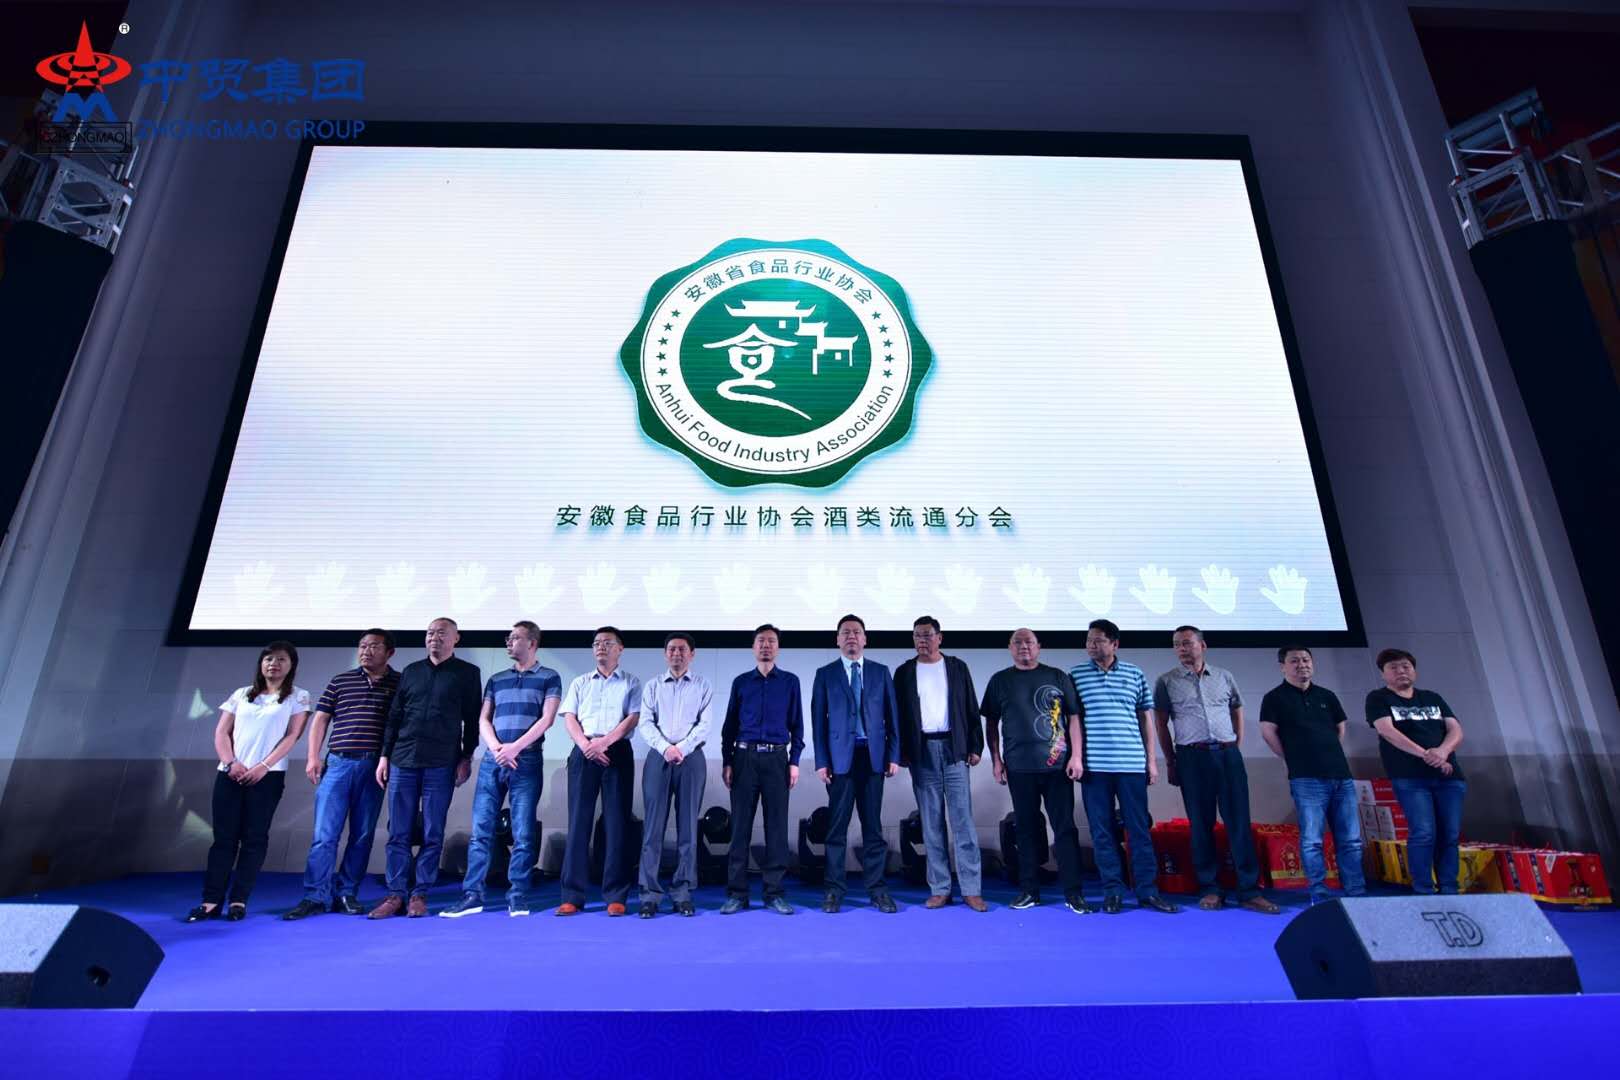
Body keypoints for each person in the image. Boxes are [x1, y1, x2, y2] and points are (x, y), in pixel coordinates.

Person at [1153, 626, 1279, 914]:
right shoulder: (1166, 681)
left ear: (1203, 645)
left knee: (1239, 822)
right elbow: (1161, 724)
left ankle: (1249, 890)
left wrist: (1235, 743)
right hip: (1191, 757)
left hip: (1227, 754)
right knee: (1201, 825)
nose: (1182, 649)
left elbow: (1236, 709)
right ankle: (1210, 888)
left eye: (1187, 643)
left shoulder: (1224, 677)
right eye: (1177, 645)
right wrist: (1171, 761)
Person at [440, 621, 561, 918]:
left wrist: (514, 748)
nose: (509, 642)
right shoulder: (497, 679)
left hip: (526, 759)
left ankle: (517, 895)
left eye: (515, 637)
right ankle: (472, 895)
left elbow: (547, 719)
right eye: (508, 637)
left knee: (523, 832)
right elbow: (483, 719)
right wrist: (496, 748)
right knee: (481, 831)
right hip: (493, 760)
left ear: (532, 643)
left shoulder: (549, 676)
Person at [188, 641, 310, 922]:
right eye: (268, 659)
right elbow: (222, 732)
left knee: (254, 839)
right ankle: (210, 901)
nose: (273, 664)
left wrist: (263, 766)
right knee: (223, 839)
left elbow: (292, 735)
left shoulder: (298, 696)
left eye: (281, 659)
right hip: (230, 773)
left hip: (268, 776)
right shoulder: (242, 693)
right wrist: (230, 763)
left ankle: (239, 901)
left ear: (291, 665)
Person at [368, 618, 481, 919]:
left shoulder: (468, 673)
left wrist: (466, 757)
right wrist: (384, 756)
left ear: (456, 638)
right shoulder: (411, 671)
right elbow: (395, 716)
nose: (434, 638)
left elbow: (472, 719)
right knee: (398, 831)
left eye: (441, 633)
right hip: (403, 759)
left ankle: (420, 893)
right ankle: (395, 894)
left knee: (433, 831)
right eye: (430, 633)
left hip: (442, 762)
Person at [283, 629, 400, 920]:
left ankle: (347, 892)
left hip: (374, 767)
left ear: (389, 652)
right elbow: (321, 719)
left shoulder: (400, 683)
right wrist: (313, 757)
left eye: (374, 646)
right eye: (362, 646)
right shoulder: (341, 680)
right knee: (325, 835)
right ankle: (315, 896)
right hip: (337, 764)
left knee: (362, 835)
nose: (366, 651)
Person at [1070, 620, 1179, 914]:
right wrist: (1077, 758)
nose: (1092, 645)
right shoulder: (1076, 675)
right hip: (1095, 767)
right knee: (1102, 832)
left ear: (1115, 644)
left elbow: (1146, 719)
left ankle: (1147, 892)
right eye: (1088, 640)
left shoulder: (1134, 673)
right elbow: (1073, 720)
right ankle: (1113, 892)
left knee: (1139, 830)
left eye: (1098, 640)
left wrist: (1151, 761)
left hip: (1131, 765)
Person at [981, 628, 1089, 913]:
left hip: (1057, 767)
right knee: (1026, 830)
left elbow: (1074, 718)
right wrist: (996, 760)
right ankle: (1030, 891)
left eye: (1028, 641)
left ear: (1039, 646)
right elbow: (991, 724)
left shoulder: (1057, 677)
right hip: (1019, 767)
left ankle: (1074, 893)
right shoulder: (1000, 681)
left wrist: (1076, 756)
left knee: (1065, 829)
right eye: (1017, 642)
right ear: (1009, 648)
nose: (1023, 646)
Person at [1259, 646, 1367, 904]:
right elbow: (1268, 732)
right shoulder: (1274, 698)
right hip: (1306, 778)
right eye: (1294, 661)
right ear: (1282, 667)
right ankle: (1318, 892)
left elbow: (1340, 727)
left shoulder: (1326, 695)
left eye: (1306, 660)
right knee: (1312, 841)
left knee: (1351, 839)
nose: (1302, 665)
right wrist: (1290, 758)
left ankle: (1356, 891)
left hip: (1341, 776)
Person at [894, 615, 987, 911]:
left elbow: (971, 707)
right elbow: (897, 717)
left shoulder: (957, 667)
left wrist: (975, 746)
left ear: (939, 637)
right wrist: (900, 751)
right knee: (931, 823)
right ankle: (940, 888)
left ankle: (971, 889)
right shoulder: (904, 672)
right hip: (922, 752)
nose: (922, 640)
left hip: (954, 748)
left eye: (927, 635)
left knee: (963, 822)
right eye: (917, 636)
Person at [810, 613, 901, 913]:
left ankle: (877, 890)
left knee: (873, 829)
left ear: (865, 639)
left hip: (873, 759)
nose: (851, 636)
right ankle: (834, 891)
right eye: (845, 632)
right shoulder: (825, 674)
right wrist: (822, 761)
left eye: (856, 632)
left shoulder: (880, 672)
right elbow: (818, 722)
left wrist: (893, 755)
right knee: (836, 830)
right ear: (837, 640)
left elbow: (892, 717)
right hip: (839, 762)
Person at [1366, 648, 1466, 895]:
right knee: (1423, 833)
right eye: (1393, 667)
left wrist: (1443, 751)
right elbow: (1387, 731)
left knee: (1450, 834)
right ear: (1383, 674)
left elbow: (1455, 729)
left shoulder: (1432, 697)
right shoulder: (1378, 698)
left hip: (1448, 776)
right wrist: (1427, 755)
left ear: (1414, 670)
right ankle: (1423, 889)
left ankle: (1449, 888)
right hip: (1410, 777)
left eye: (1406, 666)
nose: (1401, 671)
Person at [719, 624, 804, 915]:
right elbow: (729, 726)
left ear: (778, 647)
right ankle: (737, 894)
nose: (766, 646)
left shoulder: (790, 682)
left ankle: (774, 893)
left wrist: (794, 761)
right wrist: (727, 760)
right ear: (753, 647)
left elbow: (797, 725)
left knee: (777, 829)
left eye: (771, 641)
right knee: (740, 828)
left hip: (777, 760)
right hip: (744, 759)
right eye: (761, 641)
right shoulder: (741, 682)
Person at [557, 626, 641, 916]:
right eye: (596, 643)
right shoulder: (580, 682)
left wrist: (604, 743)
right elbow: (569, 717)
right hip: (584, 751)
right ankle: (572, 895)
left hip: (616, 752)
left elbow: (632, 718)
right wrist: (586, 745)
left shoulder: (631, 682)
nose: (600, 647)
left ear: (620, 648)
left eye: (607, 642)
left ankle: (615, 895)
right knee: (578, 824)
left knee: (617, 825)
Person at [636, 632, 712, 918]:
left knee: (688, 828)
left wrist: (682, 748)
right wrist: (666, 748)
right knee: (652, 829)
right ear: (665, 654)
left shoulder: (703, 685)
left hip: (691, 758)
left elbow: (705, 725)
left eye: (682, 649)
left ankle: (682, 892)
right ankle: (649, 894)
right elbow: (645, 723)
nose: (676, 654)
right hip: (659, 757)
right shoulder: (653, 686)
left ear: (692, 654)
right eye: (671, 649)